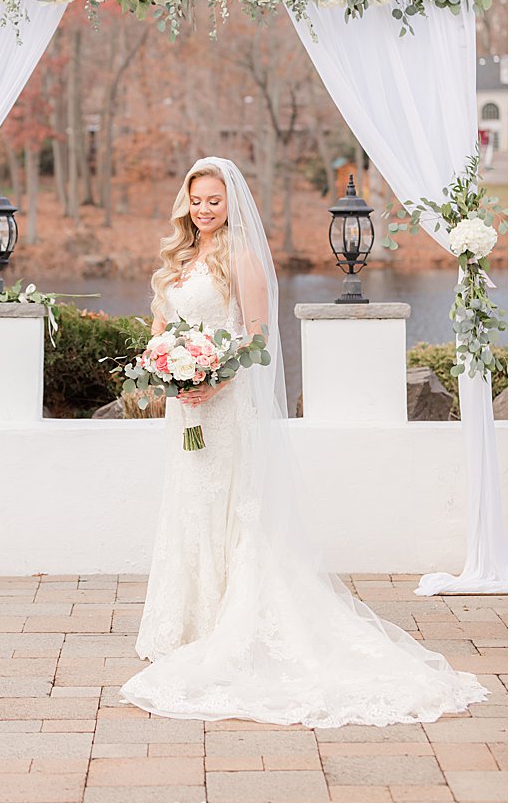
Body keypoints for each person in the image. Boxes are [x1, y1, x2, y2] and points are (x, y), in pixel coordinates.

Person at [121, 157, 487, 727]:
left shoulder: (240, 258)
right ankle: (186, 621)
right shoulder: (182, 258)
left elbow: (258, 338)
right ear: (185, 204)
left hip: (225, 401)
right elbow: (164, 330)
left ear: (231, 203)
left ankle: (229, 621)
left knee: (231, 505)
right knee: (191, 501)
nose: (204, 209)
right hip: (185, 404)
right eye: (196, 200)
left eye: (214, 200)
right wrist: (166, 371)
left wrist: (211, 378)